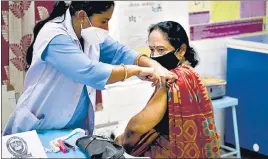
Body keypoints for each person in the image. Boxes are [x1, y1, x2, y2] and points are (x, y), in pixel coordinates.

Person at [3, 2, 177, 136]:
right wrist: (136, 70)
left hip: (73, 129)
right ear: (82, 16)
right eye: (104, 21)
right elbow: (90, 72)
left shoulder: (87, 33)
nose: (106, 28)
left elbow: (119, 51)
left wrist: (153, 64)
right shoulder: (55, 36)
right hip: (41, 125)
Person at [115, 21, 220, 158]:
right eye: (152, 50)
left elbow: (135, 129)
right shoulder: (191, 74)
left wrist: (123, 142)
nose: (155, 56)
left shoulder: (172, 80)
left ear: (181, 50)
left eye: (161, 50)